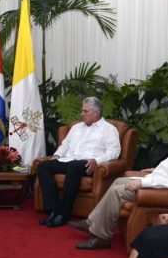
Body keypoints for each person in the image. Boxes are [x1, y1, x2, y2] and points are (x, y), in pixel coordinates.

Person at [72, 112, 168, 249]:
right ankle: (92, 222)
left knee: (118, 191)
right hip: (162, 181)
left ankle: (101, 236)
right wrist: (155, 170)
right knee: (119, 181)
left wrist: (142, 182)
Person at [37, 97, 121, 228]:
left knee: (74, 167)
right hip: (69, 160)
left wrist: (96, 160)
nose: (81, 114)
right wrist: (57, 155)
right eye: (82, 111)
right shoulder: (76, 127)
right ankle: (53, 210)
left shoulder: (109, 129)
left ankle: (64, 213)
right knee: (43, 166)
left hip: (88, 163)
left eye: (85, 111)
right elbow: (64, 146)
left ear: (96, 113)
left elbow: (114, 152)